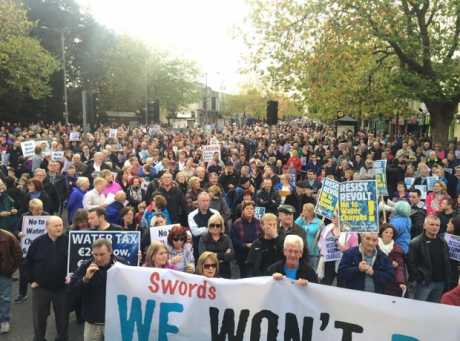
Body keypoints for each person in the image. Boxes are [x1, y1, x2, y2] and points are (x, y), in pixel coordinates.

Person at [26, 216, 69, 341]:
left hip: (62, 288)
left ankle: (62, 338)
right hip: (41, 288)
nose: (59, 228)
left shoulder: (68, 241)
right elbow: (27, 263)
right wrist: (31, 280)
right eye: (56, 225)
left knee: (62, 318)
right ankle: (39, 338)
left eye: (61, 225)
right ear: (47, 227)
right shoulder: (37, 243)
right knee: (39, 318)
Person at [69, 239, 116, 341]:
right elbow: (72, 290)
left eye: (102, 254)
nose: (98, 258)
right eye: (95, 254)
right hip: (92, 322)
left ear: (110, 252)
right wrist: (85, 279)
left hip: (114, 322)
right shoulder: (85, 266)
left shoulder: (120, 265)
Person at [408, 215, 451, 302]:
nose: (434, 227)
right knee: (419, 309)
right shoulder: (415, 243)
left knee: (433, 310)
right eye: (431, 224)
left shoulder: (443, 242)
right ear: (424, 226)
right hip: (424, 283)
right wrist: (420, 278)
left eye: (437, 225)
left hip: (440, 282)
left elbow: (446, 262)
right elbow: (411, 264)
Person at [230, 200, 261, 277]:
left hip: (255, 254)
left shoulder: (258, 222)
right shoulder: (236, 223)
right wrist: (245, 245)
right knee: (244, 276)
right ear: (243, 210)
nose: (250, 210)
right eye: (247, 208)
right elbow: (234, 240)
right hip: (242, 255)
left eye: (251, 209)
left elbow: (261, 237)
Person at [198, 214, 234, 278]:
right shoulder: (203, 238)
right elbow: (203, 256)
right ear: (209, 226)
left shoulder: (226, 238)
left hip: (225, 272)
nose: (215, 227)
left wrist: (216, 255)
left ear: (221, 227)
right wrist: (223, 255)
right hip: (208, 271)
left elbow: (231, 256)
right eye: (212, 225)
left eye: (218, 225)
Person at [0, 228, 21, 334]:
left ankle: (4, 321)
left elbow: (18, 253)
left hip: (4, 273)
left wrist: (10, 269)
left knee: (4, 297)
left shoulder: (8, 237)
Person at [378, 224, 407, 296]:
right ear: (381, 233)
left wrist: (401, 282)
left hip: (390, 281)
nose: (388, 235)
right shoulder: (374, 245)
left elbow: (400, 267)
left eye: (391, 233)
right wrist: (389, 262)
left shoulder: (397, 249)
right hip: (376, 278)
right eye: (386, 232)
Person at [295, 203, 322, 269]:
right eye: (303, 210)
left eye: (304, 210)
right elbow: (294, 227)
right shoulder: (301, 220)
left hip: (313, 251)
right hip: (301, 251)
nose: (302, 212)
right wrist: (300, 218)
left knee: (311, 272)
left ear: (310, 212)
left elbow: (317, 234)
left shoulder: (319, 222)